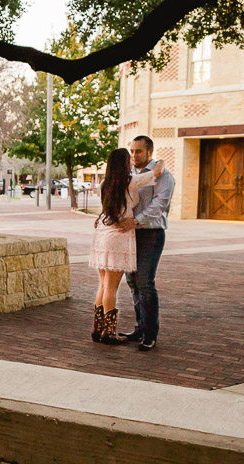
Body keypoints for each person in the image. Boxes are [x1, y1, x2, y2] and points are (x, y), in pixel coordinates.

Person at [89, 148, 163, 345]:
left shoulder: (104, 184)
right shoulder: (130, 183)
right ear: (123, 163)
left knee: (103, 285)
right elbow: (157, 171)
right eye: (129, 157)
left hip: (102, 235)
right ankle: (109, 333)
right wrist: (161, 159)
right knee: (111, 287)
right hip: (119, 236)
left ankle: (98, 328)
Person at [120, 135, 176, 351]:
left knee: (145, 283)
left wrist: (136, 220)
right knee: (132, 281)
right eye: (132, 151)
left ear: (150, 152)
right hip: (130, 234)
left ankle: (150, 335)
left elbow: (159, 205)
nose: (134, 155)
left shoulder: (164, 176)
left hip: (151, 234)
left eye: (139, 152)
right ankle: (140, 327)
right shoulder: (130, 173)